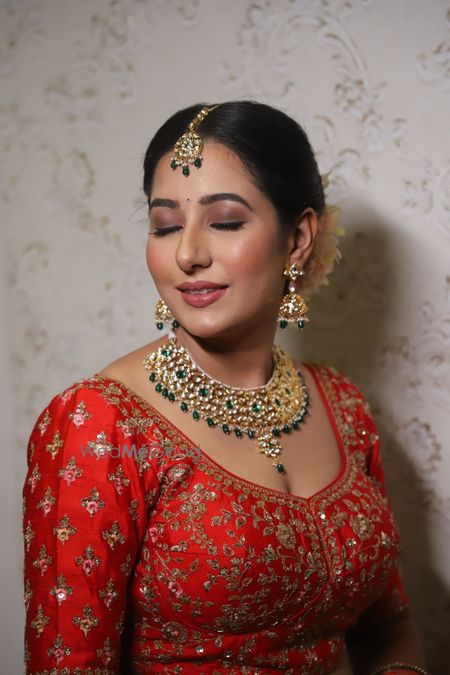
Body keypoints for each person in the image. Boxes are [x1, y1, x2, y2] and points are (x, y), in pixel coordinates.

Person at [22, 101, 428, 674]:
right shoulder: (99, 423)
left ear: (298, 239)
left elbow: (388, 625)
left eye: (226, 221)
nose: (187, 253)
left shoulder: (342, 406)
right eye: (165, 226)